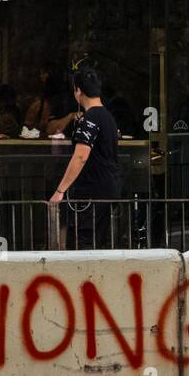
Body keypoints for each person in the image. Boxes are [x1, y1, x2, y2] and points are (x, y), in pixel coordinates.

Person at [48, 67, 122, 248]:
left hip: (91, 191)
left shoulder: (90, 118)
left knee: (84, 243)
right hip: (108, 188)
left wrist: (60, 191)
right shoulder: (108, 117)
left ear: (78, 90)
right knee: (98, 242)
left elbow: (80, 156)